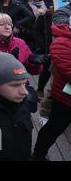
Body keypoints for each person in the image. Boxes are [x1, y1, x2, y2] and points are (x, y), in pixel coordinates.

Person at [33, 17, 71, 160]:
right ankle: (38, 155)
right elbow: (68, 71)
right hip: (65, 98)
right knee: (54, 128)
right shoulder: (62, 43)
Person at [0, 13, 43, 81]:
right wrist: (8, 61)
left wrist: (33, 63)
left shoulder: (19, 42)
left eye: (9, 24)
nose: (7, 27)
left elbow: (35, 71)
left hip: (19, 84)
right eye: (1, 24)